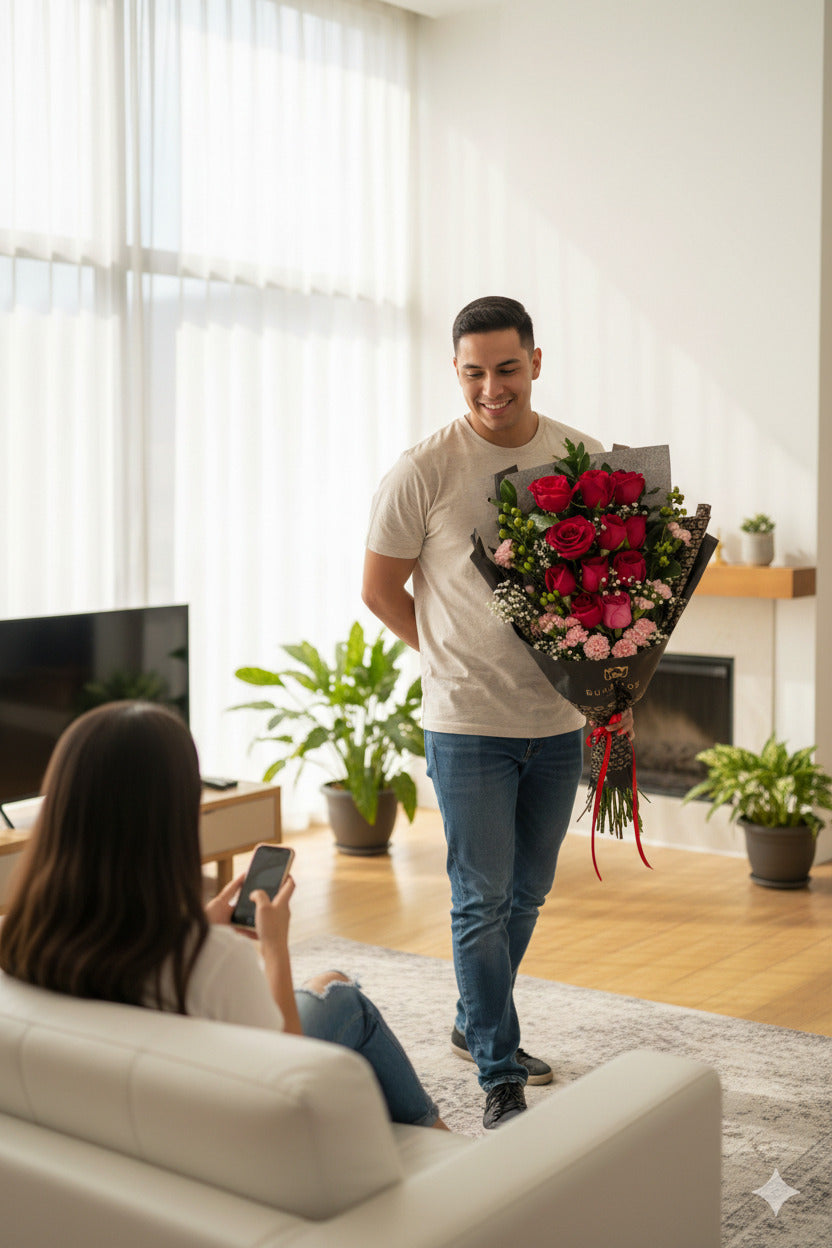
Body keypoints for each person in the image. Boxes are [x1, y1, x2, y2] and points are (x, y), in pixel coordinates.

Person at [362, 295, 632, 1129]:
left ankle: (474, 1019)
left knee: (528, 893)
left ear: (536, 364)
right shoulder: (423, 469)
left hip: (556, 720)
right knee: (480, 897)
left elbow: (615, 579)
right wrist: (446, 656)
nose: (491, 389)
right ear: (456, 370)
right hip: (467, 721)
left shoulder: (582, 458)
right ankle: (496, 1072)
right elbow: (379, 590)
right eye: (474, 372)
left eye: (506, 369)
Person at [0, 700, 446, 1131]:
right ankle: (440, 1139)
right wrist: (273, 946)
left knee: (325, 986)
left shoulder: (20, 937)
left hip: (120, 1122)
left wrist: (196, 927)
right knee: (343, 997)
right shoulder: (211, 961)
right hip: (217, 1127)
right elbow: (287, 1076)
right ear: (172, 818)